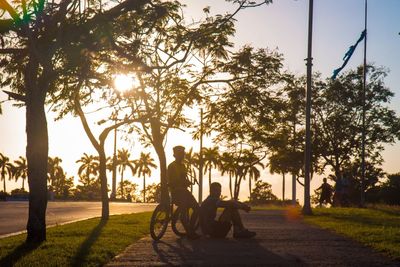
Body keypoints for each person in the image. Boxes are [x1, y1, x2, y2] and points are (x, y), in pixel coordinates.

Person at [167, 145, 200, 239]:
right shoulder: (172, 166)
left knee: (197, 208)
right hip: (177, 192)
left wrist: (187, 182)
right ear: (175, 155)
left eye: (182, 154)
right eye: (179, 154)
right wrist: (184, 182)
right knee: (184, 208)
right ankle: (190, 232)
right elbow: (175, 180)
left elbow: (184, 178)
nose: (182, 156)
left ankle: (191, 229)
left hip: (184, 192)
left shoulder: (183, 166)